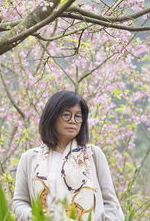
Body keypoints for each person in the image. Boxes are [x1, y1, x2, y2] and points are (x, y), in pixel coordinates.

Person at [11, 90, 125, 221]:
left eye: (78, 116)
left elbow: (111, 203)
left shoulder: (93, 155)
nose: (72, 121)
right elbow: (19, 202)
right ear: (52, 117)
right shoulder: (30, 158)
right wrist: (36, 216)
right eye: (66, 115)